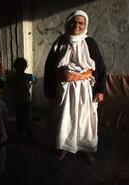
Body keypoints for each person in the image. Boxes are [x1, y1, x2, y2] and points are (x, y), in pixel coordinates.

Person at [44, 10, 107, 163]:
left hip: (86, 89)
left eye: (81, 23)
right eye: (74, 22)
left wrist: (100, 90)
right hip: (64, 90)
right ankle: (64, 147)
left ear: (85, 25)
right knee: (65, 118)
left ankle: (85, 149)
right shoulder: (60, 42)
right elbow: (50, 66)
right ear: (68, 23)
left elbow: (100, 67)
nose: (77, 26)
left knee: (85, 120)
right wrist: (56, 80)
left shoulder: (90, 42)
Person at [9, 57, 37, 141]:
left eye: (22, 67)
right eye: (19, 67)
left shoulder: (28, 76)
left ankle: (29, 133)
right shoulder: (13, 77)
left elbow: (35, 79)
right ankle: (21, 134)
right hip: (18, 101)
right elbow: (8, 82)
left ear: (25, 67)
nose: (21, 69)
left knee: (27, 118)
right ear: (15, 68)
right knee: (19, 119)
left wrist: (31, 84)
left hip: (26, 101)